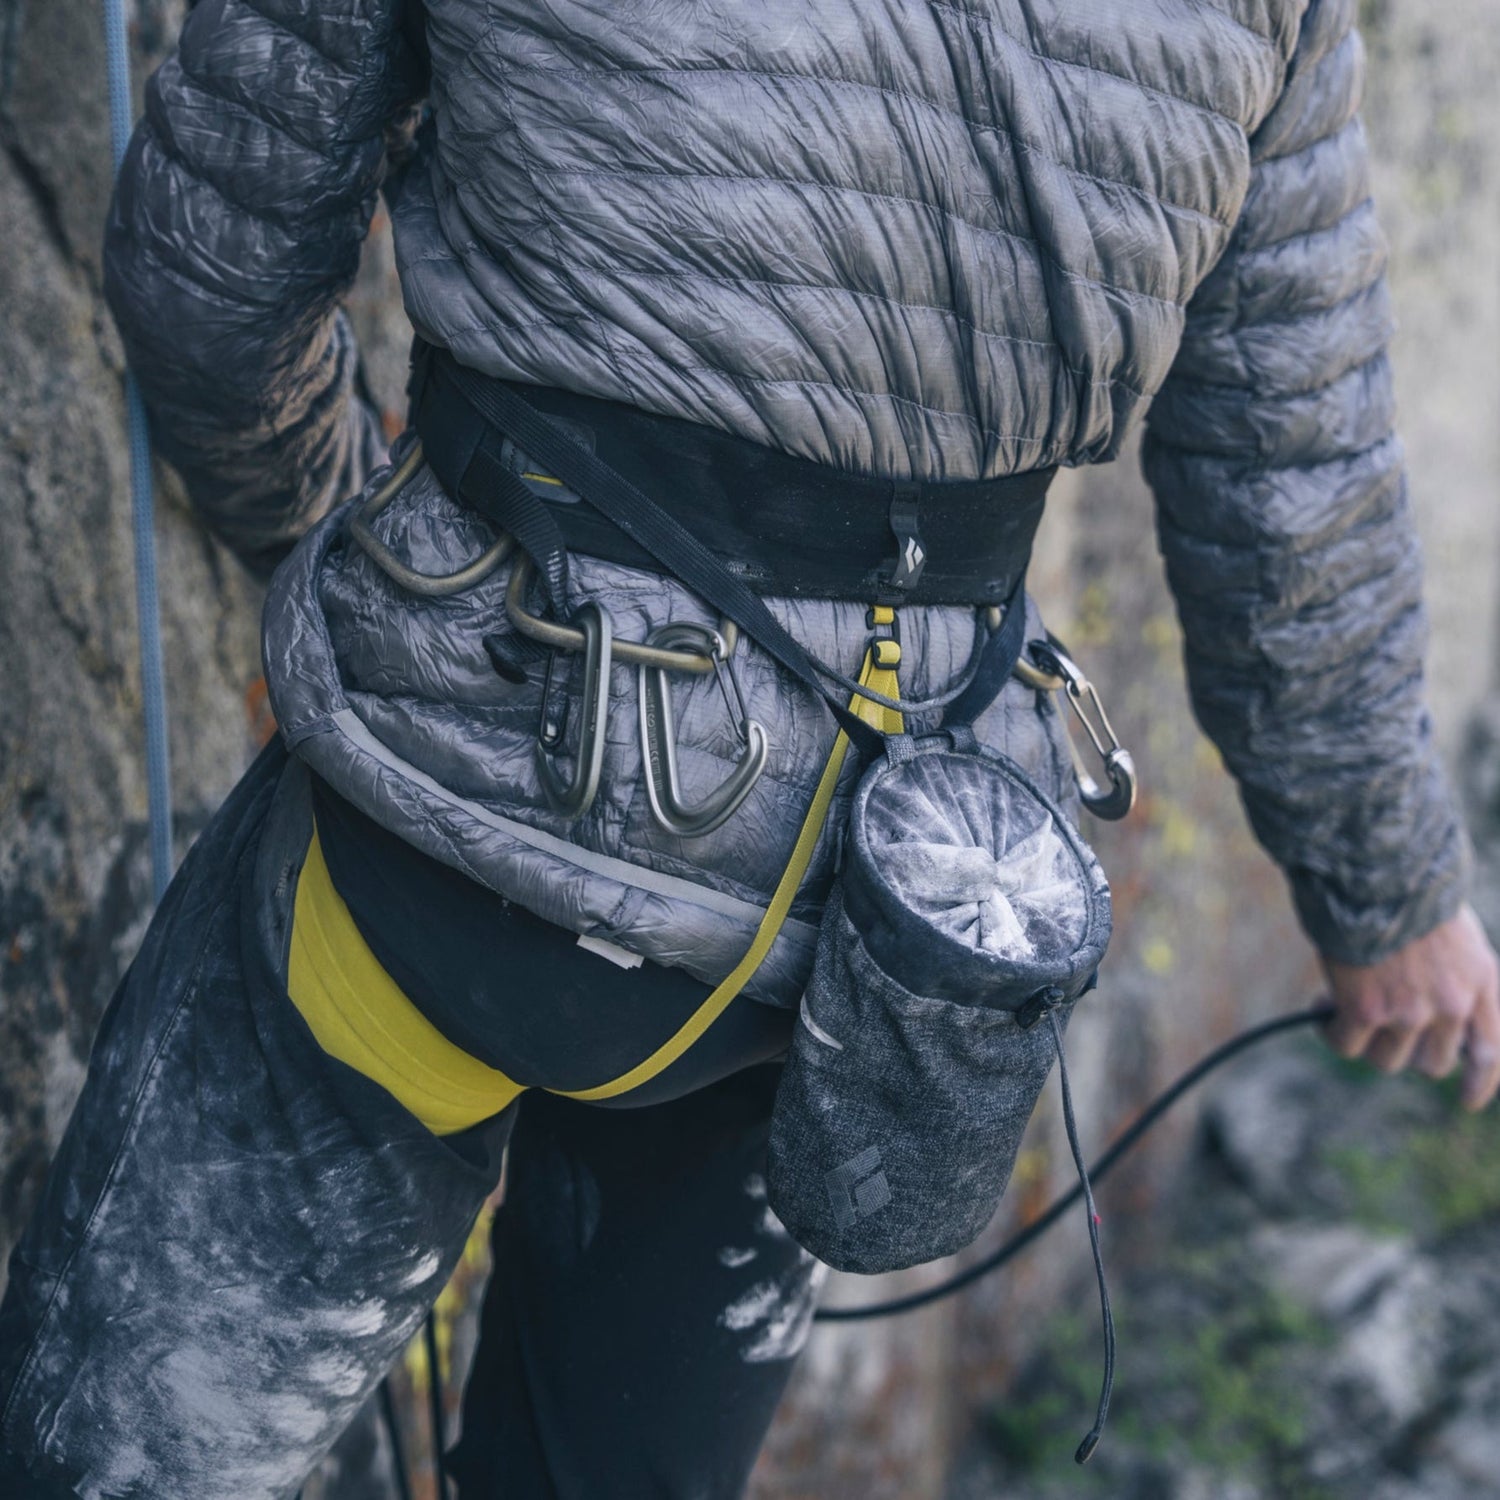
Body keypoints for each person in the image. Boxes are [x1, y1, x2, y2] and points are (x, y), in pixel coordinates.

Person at [3, 0, 1497, 1495]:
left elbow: (213, 274)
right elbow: (1295, 483)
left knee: (118, 1457)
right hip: (854, 925)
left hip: (461, 837)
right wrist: (1394, 903)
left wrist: (340, 524)